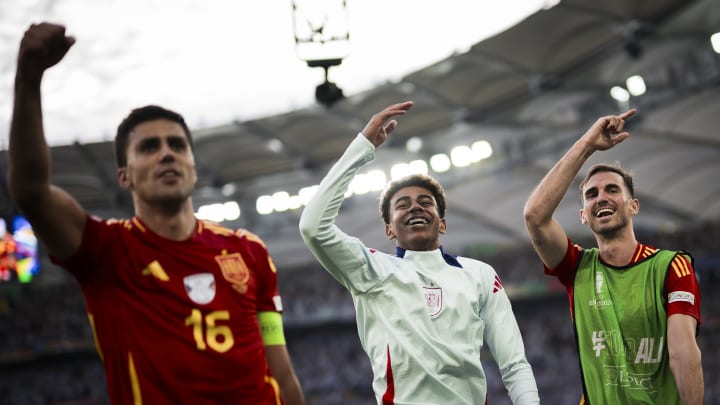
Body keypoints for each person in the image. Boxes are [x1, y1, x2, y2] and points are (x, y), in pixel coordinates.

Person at [8, 22, 305, 405]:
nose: (167, 153)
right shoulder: (105, 251)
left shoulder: (250, 252)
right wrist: (29, 80)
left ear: (193, 167)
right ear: (124, 176)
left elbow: (280, 370)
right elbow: (30, 191)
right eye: (149, 147)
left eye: (177, 146)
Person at [299, 101, 539, 404]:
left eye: (425, 202)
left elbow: (514, 363)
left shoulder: (479, 274)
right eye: (402, 204)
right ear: (389, 229)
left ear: (442, 223)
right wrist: (362, 149)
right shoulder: (371, 270)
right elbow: (313, 226)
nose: (415, 206)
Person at [523, 109, 703, 404]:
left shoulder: (671, 266)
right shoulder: (575, 267)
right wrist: (587, 146)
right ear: (583, 215)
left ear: (633, 206)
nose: (601, 198)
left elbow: (683, 354)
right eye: (591, 194)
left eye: (611, 190)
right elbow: (535, 216)